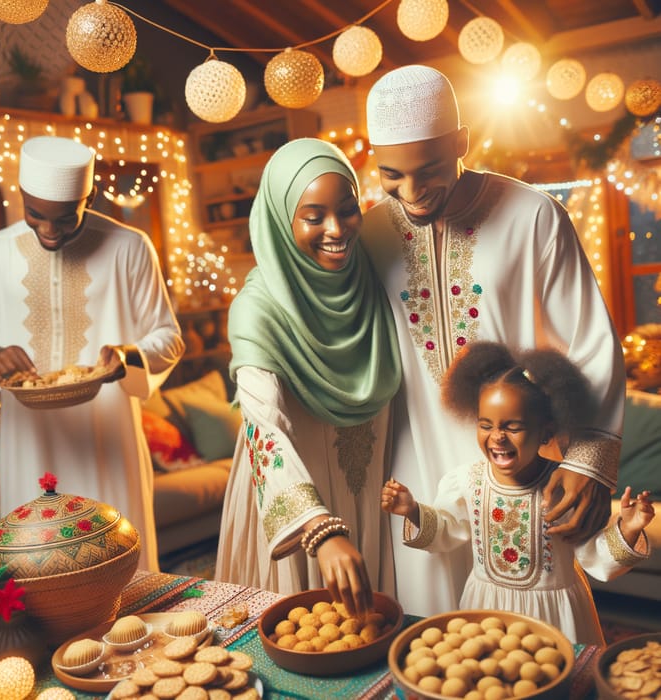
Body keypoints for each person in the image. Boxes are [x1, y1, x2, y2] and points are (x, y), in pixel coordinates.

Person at [362, 64, 626, 616]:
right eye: (392, 175)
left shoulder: (534, 216)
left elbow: (591, 340)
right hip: (416, 467)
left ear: (462, 141)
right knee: (434, 637)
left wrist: (588, 460)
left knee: (533, 635)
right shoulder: (370, 235)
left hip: (523, 464)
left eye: (429, 169)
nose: (411, 193)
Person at [0, 135, 184, 571]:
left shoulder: (129, 246)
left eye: (64, 218)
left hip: (108, 439)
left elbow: (169, 338)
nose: (48, 229)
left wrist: (127, 356)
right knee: (35, 570)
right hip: (29, 441)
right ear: (22, 195)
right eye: (35, 214)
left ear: (91, 196)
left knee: (122, 565)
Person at [214, 137, 402, 617]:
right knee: (300, 640)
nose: (336, 230)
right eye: (313, 217)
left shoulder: (371, 278)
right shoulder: (257, 308)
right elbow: (263, 425)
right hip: (293, 500)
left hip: (367, 493)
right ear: (281, 219)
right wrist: (318, 527)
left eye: (347, 210)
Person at [381, 341, 654, 645]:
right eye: (486, 425)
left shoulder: (561, 488)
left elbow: (593, 553)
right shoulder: (467, 482)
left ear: (546, 431)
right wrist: (413, 510)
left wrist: (629, 527)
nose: (497, 436)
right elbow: (448, 529)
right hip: (485, 608)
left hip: (554, 618)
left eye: (513, 426)